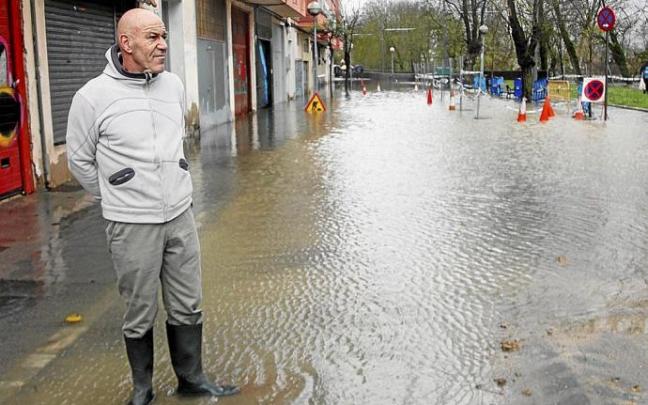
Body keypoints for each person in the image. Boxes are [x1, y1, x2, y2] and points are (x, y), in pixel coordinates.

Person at [65, 8, 239, 405]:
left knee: (188, 301)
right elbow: (79, 160)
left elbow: (176, 143)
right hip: (131, 225)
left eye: (164, 36)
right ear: (126, 43)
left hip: (180, 215)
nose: (163, 45)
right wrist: (117, 196)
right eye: (153, 38)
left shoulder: (173, 86)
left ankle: (191, 379)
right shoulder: (91, 97)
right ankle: (143, 389)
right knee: (139, 308)